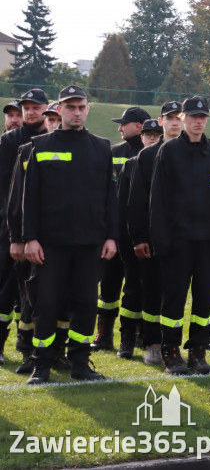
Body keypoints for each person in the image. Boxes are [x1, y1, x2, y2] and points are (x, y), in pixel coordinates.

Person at [22, 86, 118, 384]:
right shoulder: (40, 145)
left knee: (86, 304)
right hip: (51, 244)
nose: (76, 112)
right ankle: (41, 365)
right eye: (70, 107)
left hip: (90, 243)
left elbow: (109, 197)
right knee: (47, 304)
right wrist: (30, 237)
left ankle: (80, 363)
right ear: (59, 109)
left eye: (81, 107)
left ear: (87, 110)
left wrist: (112, 236)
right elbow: (30, 198)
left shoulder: (102, 147)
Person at [149, 96, 210, 375]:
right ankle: (171, 353)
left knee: (204, 299)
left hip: (209, 242)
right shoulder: (169, 151)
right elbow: (158, 199)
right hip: (178, 241)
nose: (198, 121)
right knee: (174, 298)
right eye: (193, 116)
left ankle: (198, 351)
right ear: (183, 118)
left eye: (203, 117)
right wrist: (161, 240)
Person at [126, 101, 184, 366]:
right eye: (169, 118)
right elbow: (136, 200)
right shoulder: (147, 156)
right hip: (153, 238)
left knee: (176, 293)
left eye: (178, 117)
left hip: (184, 237)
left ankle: (173, 344)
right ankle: (152, 343)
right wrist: (139, 237)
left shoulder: (192, 153)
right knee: (151, 291)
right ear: (160, 122)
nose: (174, 122)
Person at [93, 106, 151, 351]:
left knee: (136, 287)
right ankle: (103, 336)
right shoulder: (114, 152)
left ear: (138, 126)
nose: (119, 129)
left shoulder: (151, 155)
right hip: (111, 233)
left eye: (123, 124)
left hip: (136, 234)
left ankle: (134, 337)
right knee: (108, 285)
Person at [0, 89, 50, 370]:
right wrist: (13, 229)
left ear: (46, 109)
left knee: (37, 291)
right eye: (25, 108)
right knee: (5, 286)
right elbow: (6, 188)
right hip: (11, 226)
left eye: (35, 107)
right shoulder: (9, 142)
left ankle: (31, 349)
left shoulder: (53, 139)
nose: (30, 112)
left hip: (45, 228)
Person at [114, 118, 162, 359]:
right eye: (147, 133)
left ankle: (151, 339)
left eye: (156, 133)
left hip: (158, 240)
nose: (152, 137)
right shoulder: (131, 165)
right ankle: (127, 338)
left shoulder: (164, 162)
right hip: (133, 239)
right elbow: (123, 206)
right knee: (132, 289)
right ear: (140, 136)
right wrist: (128, 240)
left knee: (155, 292)